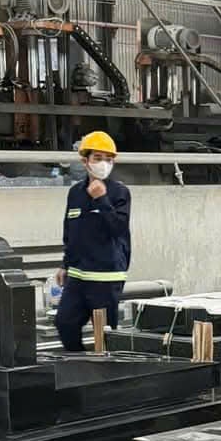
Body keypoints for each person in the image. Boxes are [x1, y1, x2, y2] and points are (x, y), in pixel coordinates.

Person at [56, 131, 131, 352]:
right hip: (78, 276)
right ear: (85, 161)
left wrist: (102, 199)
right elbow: (70, 231)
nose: (103, 164)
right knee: (65, 323)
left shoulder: (119, 193)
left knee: (104, 335)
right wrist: (65, 264)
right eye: (97, 158)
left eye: (108, 159)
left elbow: (118, 228)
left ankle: (106, 368)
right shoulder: (75, 193)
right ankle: (78, 363)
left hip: (106, 276)